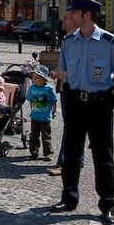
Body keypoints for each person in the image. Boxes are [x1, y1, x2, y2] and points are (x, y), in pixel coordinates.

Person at [50, 0, 114, 225]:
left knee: (103, 156)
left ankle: (107, 205)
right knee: (71, 153)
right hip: (74, 103)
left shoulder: (109, 42)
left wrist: (101, 92)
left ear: (86, 15)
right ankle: (69, 198)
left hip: (99, 105)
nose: (69, 16)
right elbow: (65, 72)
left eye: (73, 12)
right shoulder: (68, 41)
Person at [49, 12, 85, 177]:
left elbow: (79, 69)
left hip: (77, 88)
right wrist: (57, 71)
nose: (62, 20)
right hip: (66, 87)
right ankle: (77, 158)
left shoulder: (81, 40)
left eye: (66, 18)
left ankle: (65, 162)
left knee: (72, 126)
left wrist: (61, 73)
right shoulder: (67, 39)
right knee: (73, 126)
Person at [26, 65, 58, 161]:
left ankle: (48, 153)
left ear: (44, 78)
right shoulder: (32, 88)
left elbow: (54, 100)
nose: (34, 79)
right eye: (33, 77)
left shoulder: (48, 89)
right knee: (34, 135)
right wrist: (32, 109)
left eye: (37, 77)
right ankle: (34, 151)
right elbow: (30, 100)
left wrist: (54, 111)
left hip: (45, 117)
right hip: (35, 116)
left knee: (46, 136)